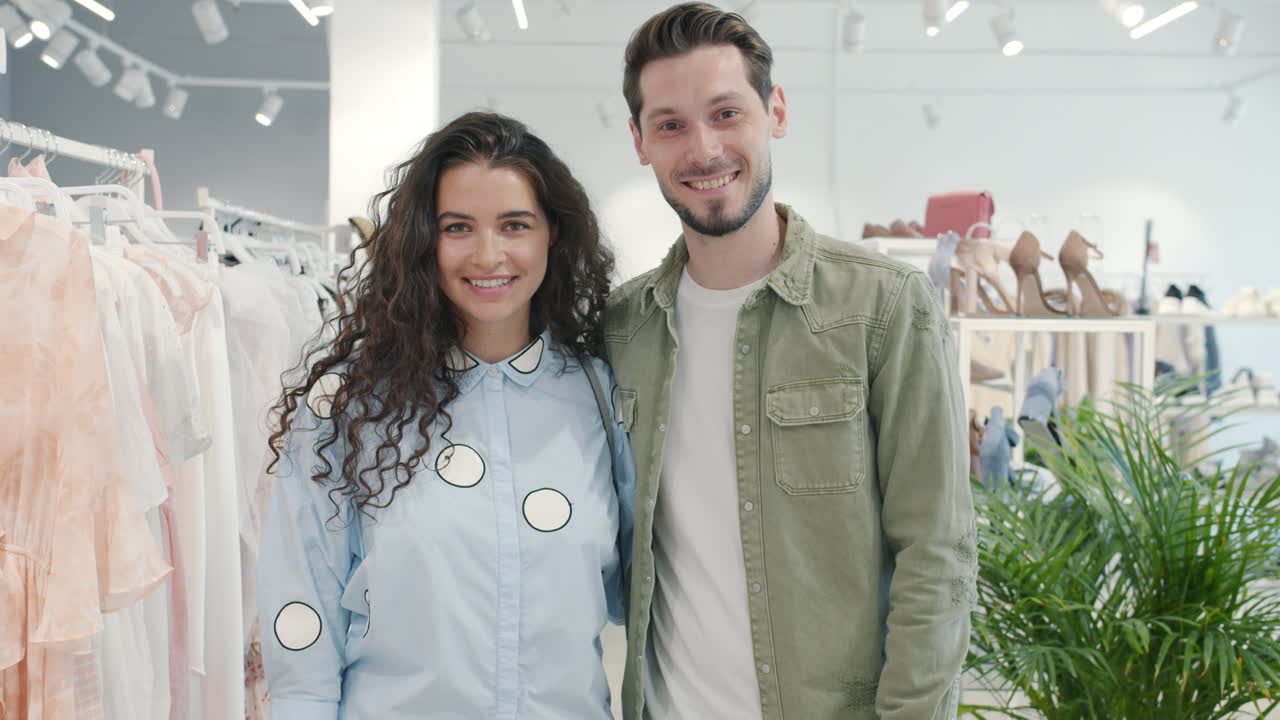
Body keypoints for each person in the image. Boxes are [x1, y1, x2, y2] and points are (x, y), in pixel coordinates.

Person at [604, 4, 978, 719]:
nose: (704, 148)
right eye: (671, 124)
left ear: (775, 109)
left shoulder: (883, 305)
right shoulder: (623, 329)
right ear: (639, 140)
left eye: (726, 112)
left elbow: (938, 553)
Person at [257, 112, 636, 720]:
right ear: (422, 242)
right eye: (457, 227)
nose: (489, 255)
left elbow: (640, 594)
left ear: (551, 236)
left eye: (515, 225)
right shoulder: (347, 408)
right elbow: (302, 613)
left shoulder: (600, 396)